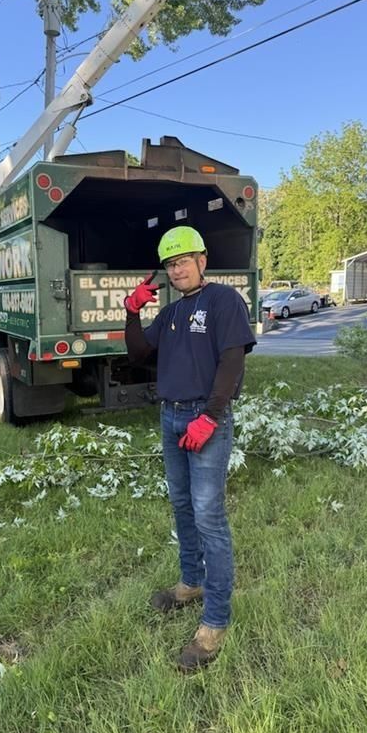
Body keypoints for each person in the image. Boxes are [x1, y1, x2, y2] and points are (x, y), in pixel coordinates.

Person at [124, 225, 256, 672]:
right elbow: (140, 353)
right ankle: (191, 583)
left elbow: (232, 360)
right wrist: (130, 313)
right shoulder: (172, 312)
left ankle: (215, 622)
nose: (176, 269)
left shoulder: (223, 301)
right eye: (169, 264)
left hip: (205, 417)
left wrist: (211, 416)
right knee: (182, 504)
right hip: (171, 416)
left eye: (183, 260)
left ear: (202, 260)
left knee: (209, 516)